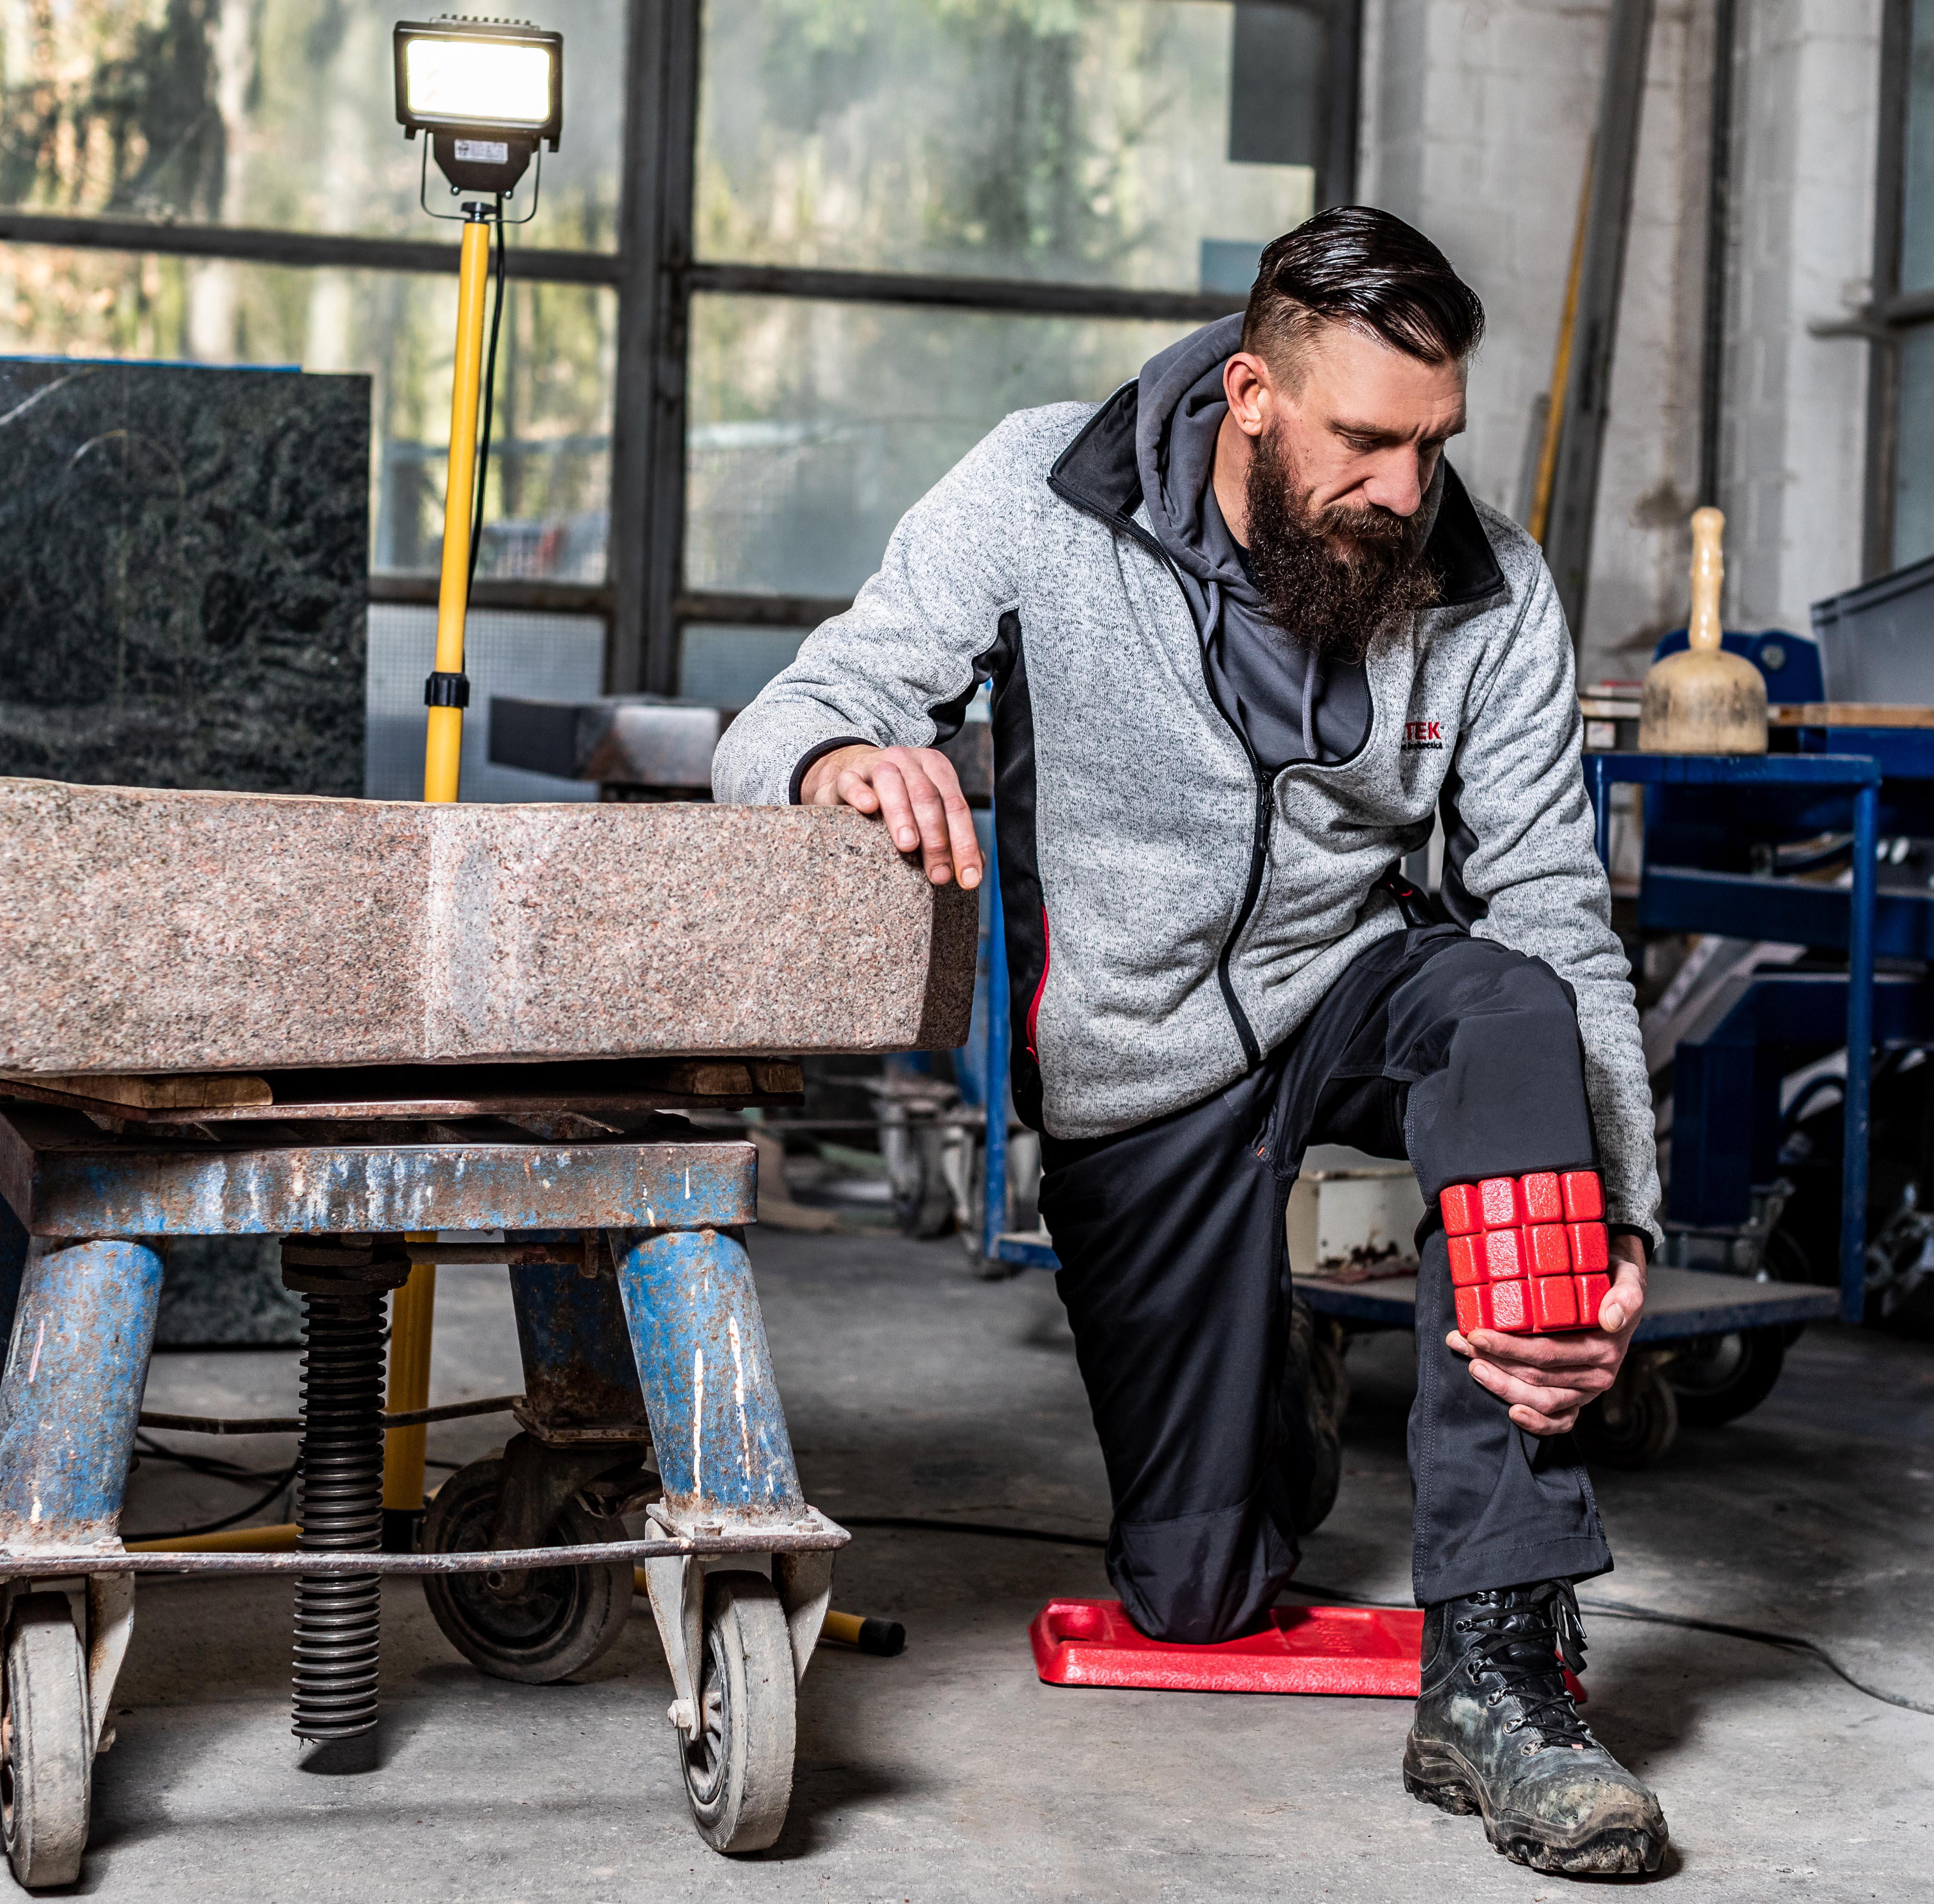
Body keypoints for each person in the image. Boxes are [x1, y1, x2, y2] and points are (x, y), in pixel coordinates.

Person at [710, 207, 1668, 1877]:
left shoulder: (1489, 583)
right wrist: (838, 763)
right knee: (1201, 1589)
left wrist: (1619, 1220)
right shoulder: (1042, 486)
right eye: (1364, 443)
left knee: (1510, 1004)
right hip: (1137, 1065)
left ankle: (1504, 1667)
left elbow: (1550, 901)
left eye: (1432, 444)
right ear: (1251, 395)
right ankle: (1273, 1383)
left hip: (1353, 993)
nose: (1404, 489)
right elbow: (799, 704)